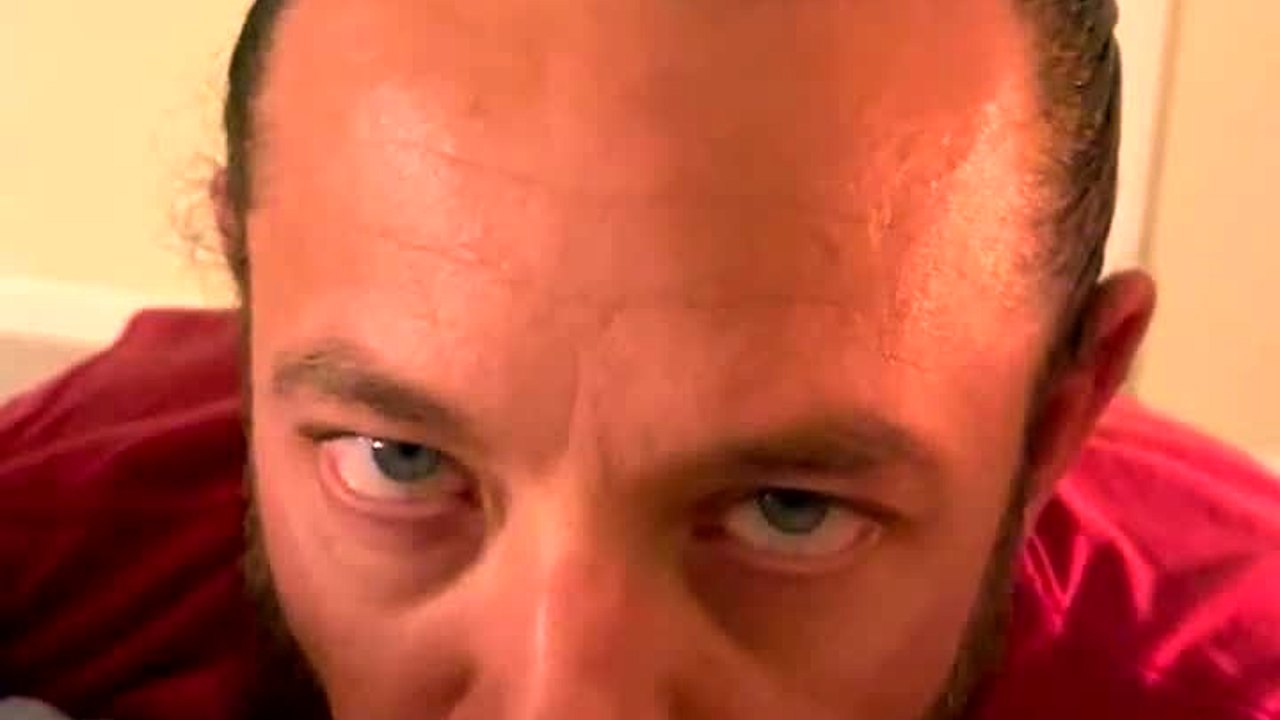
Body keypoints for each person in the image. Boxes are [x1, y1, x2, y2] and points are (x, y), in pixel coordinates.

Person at [1, 0, 1278, 718]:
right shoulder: (64, 537)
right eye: (401, 462)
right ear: (254, 304)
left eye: (788, 511)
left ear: (1056, 424)